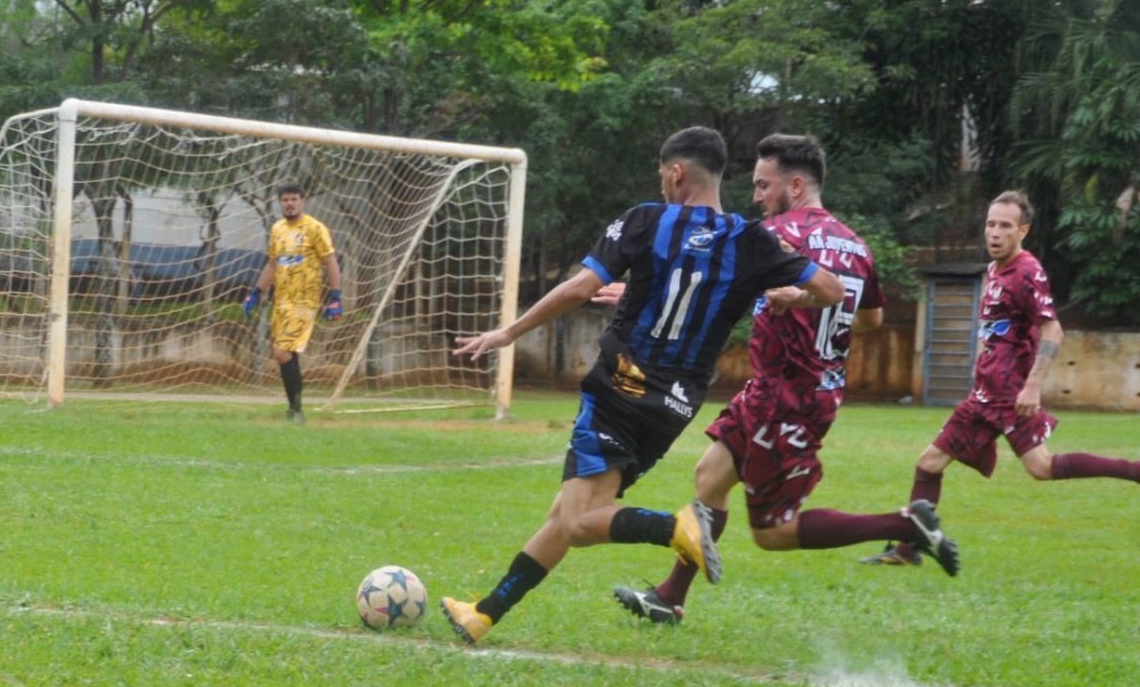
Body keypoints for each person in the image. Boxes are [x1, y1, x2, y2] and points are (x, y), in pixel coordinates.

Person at [438, 126, 843, 646]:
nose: (662, 186)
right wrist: (789, 293)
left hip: (618, 388)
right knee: (566, 514)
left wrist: (508, 332)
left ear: (676, 173)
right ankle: (485, 613)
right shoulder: (751, 240)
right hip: (674, 408)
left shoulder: (646, 221)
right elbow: (830, 289)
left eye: (663, 177)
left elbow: (581, 287)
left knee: (582, 521)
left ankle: (678, 528)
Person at [611, 133, 957, 625]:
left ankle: (907, 524)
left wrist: (634, 292)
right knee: (710, 476)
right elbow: (871, 321)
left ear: (794, 185)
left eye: (762, 184)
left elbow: (708, 281)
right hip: (798, 391)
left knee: (773, 532)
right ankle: (670, 596)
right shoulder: (856, 245)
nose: (755, 196)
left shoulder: (774, 236)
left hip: (787, 395)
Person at [863, 190, 1140, 568]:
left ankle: (1134, 471)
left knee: (1011, 467)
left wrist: (1032, 385)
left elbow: (1053, 330)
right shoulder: (995, 271)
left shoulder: (1027, 271)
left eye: (1005, 226)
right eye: (991, 224)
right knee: (950, 463)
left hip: (1008, 395)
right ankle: (909, 550)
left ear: (1022, 230)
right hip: (986, 393)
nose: (995, 232)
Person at [243, 183, 342, 422]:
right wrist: (255, 292)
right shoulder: (277, 229)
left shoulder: (314, 228)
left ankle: (296, 410)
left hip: (304, 301)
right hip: (282, 301)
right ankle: (295, 410)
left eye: (294, 199)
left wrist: (336, 298)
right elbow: (272, 265)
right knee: (289, 354)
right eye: (285, 200)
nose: (289, 203)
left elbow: (330, 262)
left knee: (281, 352)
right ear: (280, 203)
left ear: (302, 201)